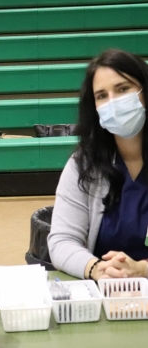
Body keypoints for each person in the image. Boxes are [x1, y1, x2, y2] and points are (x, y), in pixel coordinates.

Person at [48, 49, 148, 282]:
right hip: (107, 294)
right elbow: (62, 241)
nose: (113, 102)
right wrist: (97, 269)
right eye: (102, 96)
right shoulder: (83, 164)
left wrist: (142, 270)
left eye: (123, 89)